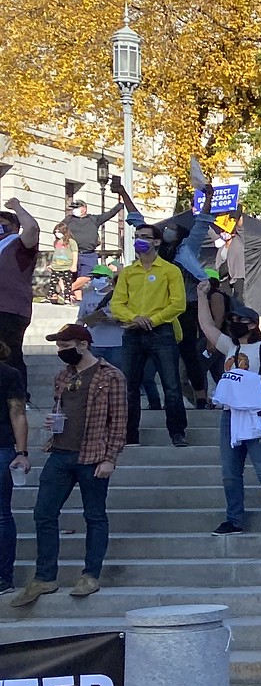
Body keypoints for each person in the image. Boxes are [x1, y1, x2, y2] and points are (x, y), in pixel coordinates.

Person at [13, 323, 126, 606]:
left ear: (83, 344)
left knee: (95, 515)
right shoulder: (63, 376)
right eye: (59, 347)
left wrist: (110, 457)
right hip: (60, 452)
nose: (61, 351)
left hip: (93, 454)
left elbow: (120, 421)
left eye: (66, 346)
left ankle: (91, 574)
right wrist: (53, 421)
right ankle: (45, 576)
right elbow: (60, 410)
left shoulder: (110, 376)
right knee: (44, 514)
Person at [197, 291, 261, 538]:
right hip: (230, 414)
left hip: (255, 414)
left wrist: (246, 380)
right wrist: (200, 296)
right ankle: (234, 519)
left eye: (239, 321)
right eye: (232, 321)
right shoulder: (230, 345)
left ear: (252, 325)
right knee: (229, 472)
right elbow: (206, 326)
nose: (234, 325)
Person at [109, 221, 189, 448]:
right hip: (133, 332)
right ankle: (128, 434)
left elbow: (178, 304)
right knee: (128, 386)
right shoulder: (128, 272)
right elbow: (117, 304)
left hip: (161, 331)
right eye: (137, 236)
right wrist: (134, 318)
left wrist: (151, 320)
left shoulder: (170, 270)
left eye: (144, 236)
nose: (139, 240)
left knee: (171, 385)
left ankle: (177, 432)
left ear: (156, 241)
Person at [0, 200, 38, 390]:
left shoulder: (17, 244)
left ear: (14, 226)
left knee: (9, 353)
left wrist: (16, 207)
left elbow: (32, 229)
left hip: (9, 309)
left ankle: (19, 397)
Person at [0, 339, 26, 595]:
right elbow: (17, 412)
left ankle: (4, 576)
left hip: (3, 447)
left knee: (1, 514)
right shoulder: (10, 374)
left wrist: (22, 451)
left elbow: (17, 413)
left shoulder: (8, 374)